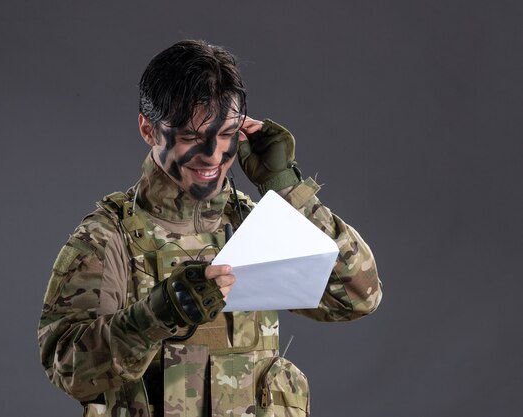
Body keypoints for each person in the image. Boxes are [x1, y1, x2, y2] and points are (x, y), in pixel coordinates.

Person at [38, 39, 382, 417]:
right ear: (149, 130)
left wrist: (284, 187)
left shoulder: (254, 225)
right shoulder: (108, 239)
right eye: (189, 137)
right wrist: (158, 314)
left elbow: (356, 296)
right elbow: (68, 369)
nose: (212, 155)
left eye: (226, 134)